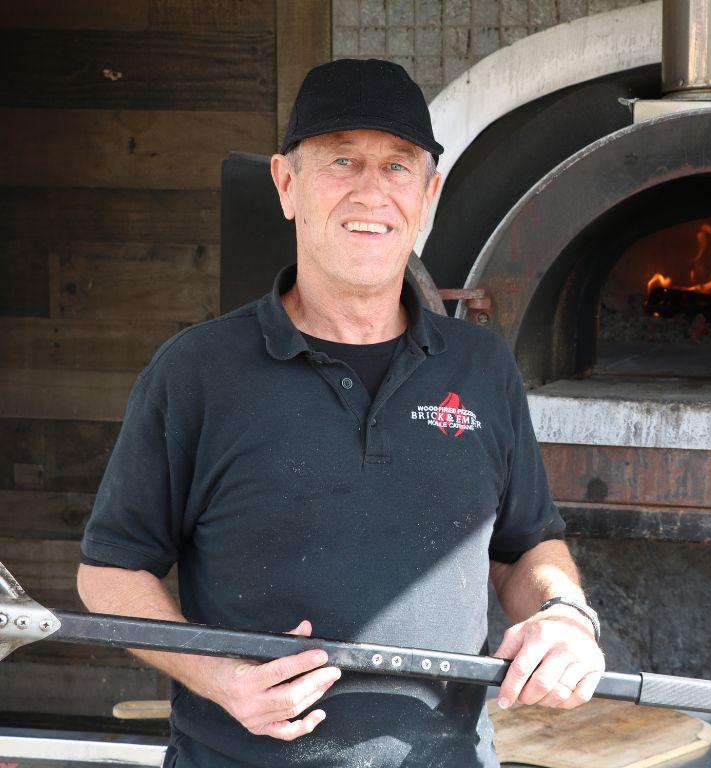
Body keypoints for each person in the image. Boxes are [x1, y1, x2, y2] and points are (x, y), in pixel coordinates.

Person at [76, 58, 605, 767]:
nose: (371, 191)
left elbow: (524, 547)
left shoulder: (481, 368)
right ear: (286, 184)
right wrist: (221, 680)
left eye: (397, 166)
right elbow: (110, 572)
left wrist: (565, 617)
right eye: (343, 160)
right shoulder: (197, 372)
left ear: (428, 195)